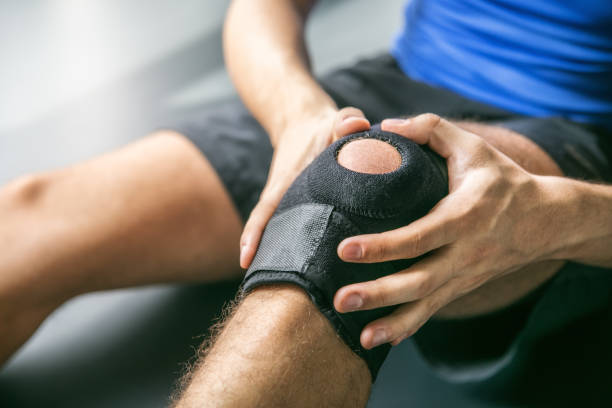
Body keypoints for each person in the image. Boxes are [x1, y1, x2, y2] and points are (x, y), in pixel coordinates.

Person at [1, 0, 611, 406]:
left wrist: (564, 215)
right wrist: (298, 115)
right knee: (22, 230)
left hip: (587, 136)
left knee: (372, 184)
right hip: (394, 86)